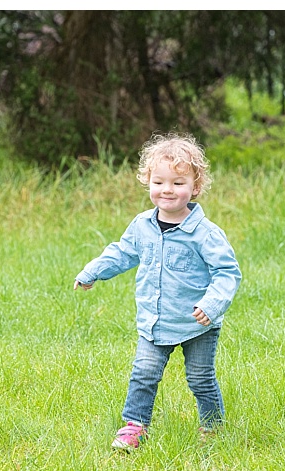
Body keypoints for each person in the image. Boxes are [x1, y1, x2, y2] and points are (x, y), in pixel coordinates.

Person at [74, 132, 241, 451]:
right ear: (148, 182)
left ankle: (213, 427)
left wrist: (213, 303)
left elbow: (227, 272)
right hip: (154, 322)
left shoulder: (205, 234)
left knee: (200, 379)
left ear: (195, 187)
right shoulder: (142, 226)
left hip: (198, 325)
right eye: (159, 182)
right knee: (144, 374)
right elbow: (122, 252)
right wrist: (93, 271)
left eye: (178, 183)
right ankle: (134, 427)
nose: (168, 190)